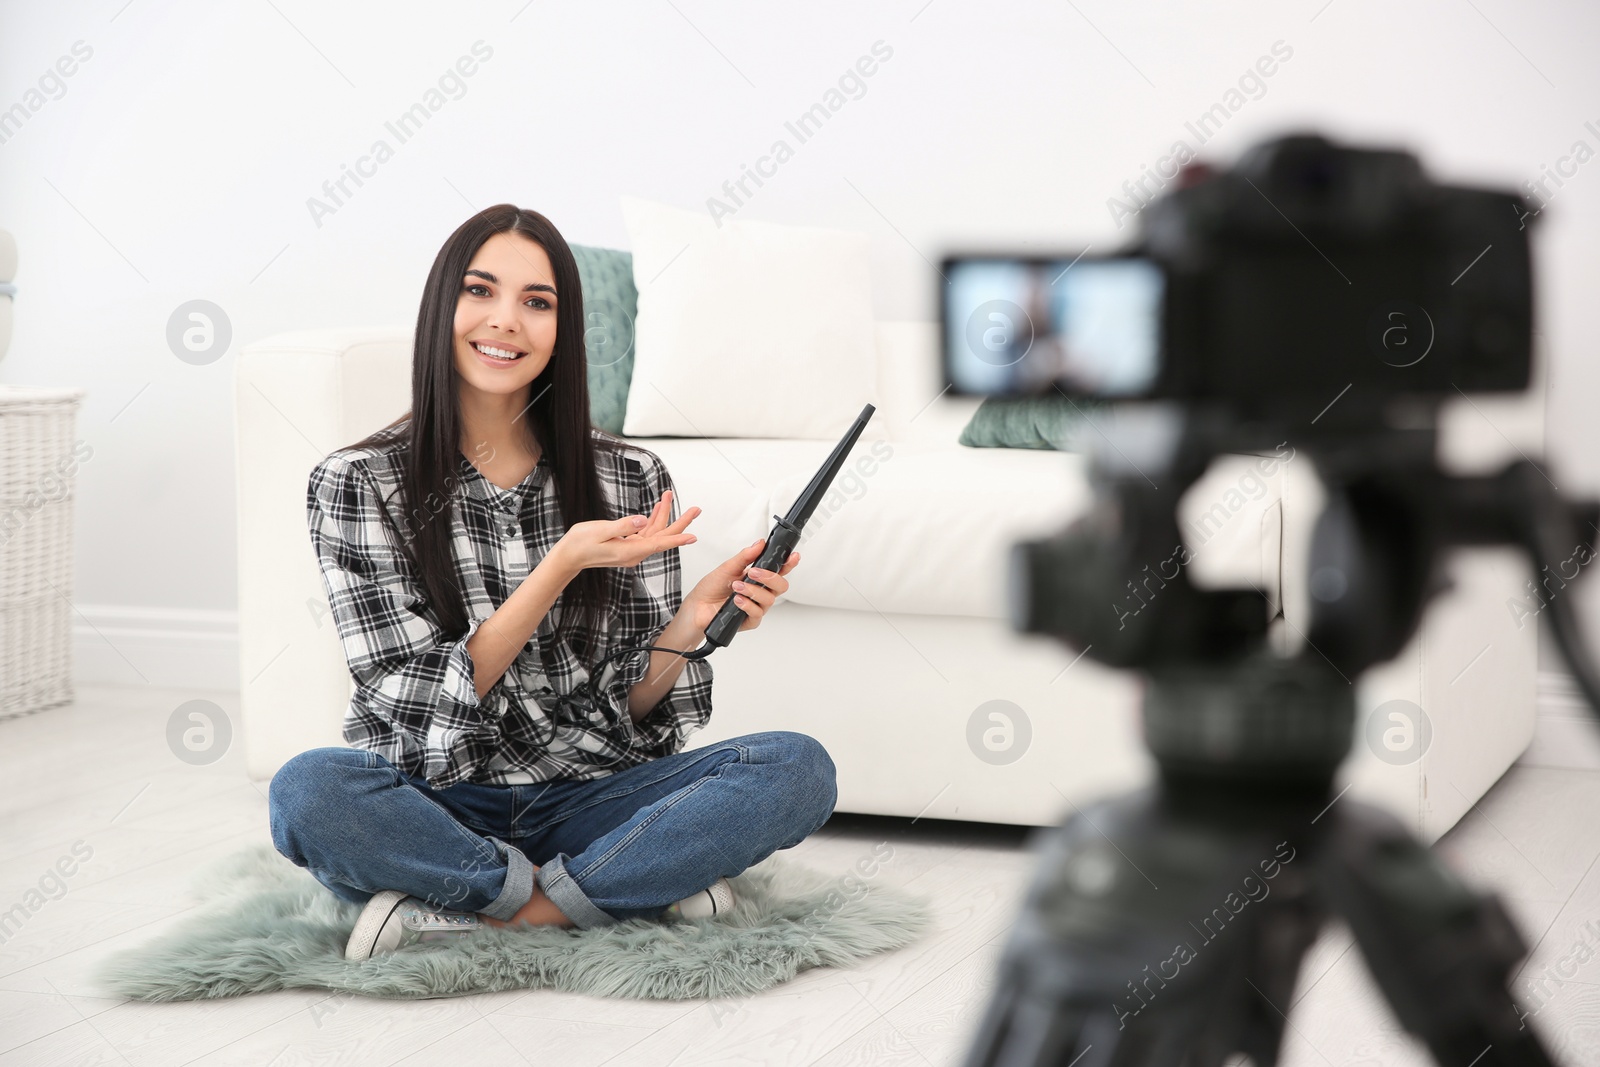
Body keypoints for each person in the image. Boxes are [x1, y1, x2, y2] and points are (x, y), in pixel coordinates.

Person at [267, 204, 838, 959]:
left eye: (538, 303)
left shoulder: (629, 475)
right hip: (436, 800)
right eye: (482, 291)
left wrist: (691, 621)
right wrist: (558, 564)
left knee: (796, 767)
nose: (506, 321)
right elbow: (407, 695)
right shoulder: (356, 481)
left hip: (591, 796)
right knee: (309, 792)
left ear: (564, 330)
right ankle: (617, 888)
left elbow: (633, 711)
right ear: (444, 305)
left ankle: (502, 911)